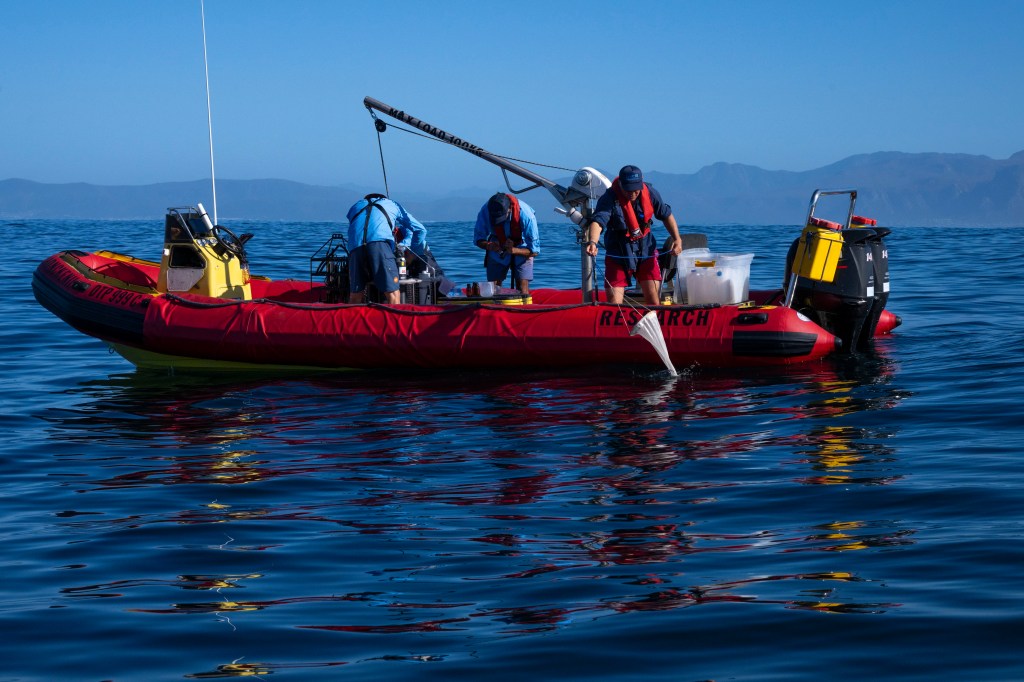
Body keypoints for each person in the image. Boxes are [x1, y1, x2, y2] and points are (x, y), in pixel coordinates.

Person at [585, 165, 683, 305]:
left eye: (636, 189)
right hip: (618, 250)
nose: (632, 193)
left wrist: (677, 239)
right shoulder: (609, 198)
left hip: (645, 249)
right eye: (628, 189)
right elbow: (598, 222)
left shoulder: (650, 193)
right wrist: (593, 242)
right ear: (620, 184)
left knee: (654, 298)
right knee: (614, 303)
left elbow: (666, 215)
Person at [346, 193, 427, 304]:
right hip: (379, 245)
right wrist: (414, 255)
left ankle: (352, 318)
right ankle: (395, 319)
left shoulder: (355, 206)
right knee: (393, 293)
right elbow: (421, 230)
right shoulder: (392, 204)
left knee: (355, 295)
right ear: (383, 198)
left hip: (355, 247)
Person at [474, 192, 540, 295]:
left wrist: (514, 250)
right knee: (493, 289)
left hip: (521, 245)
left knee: (522, 289)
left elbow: (534, 251)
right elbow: (478, 239)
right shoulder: (485, 211)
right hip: (497, 243)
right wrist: (489, 245)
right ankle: (494, 307)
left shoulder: (527, 215)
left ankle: (523, 305)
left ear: (509, 209)